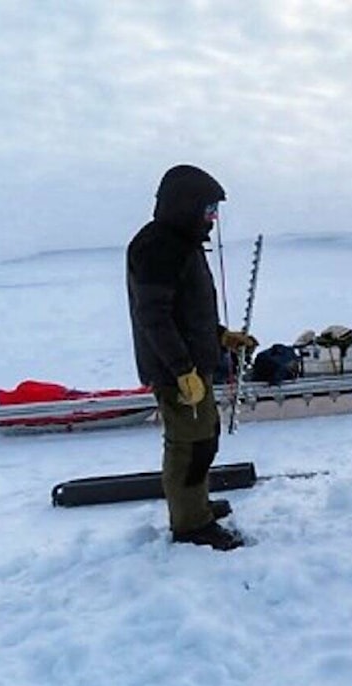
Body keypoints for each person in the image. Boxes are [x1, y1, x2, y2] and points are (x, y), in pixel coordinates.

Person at [126, 165, 258, 551]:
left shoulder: (180, 243)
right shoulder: (156, 247)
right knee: (188, 446)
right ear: (186, 207)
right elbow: (154, 316)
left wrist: (221, 337)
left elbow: (188, 312)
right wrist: (182, 371)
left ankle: (196, 506)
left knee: (205, 439)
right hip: (176, 371)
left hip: (192, 365)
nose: (213, 217)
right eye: (208, 208)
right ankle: (190, 525)